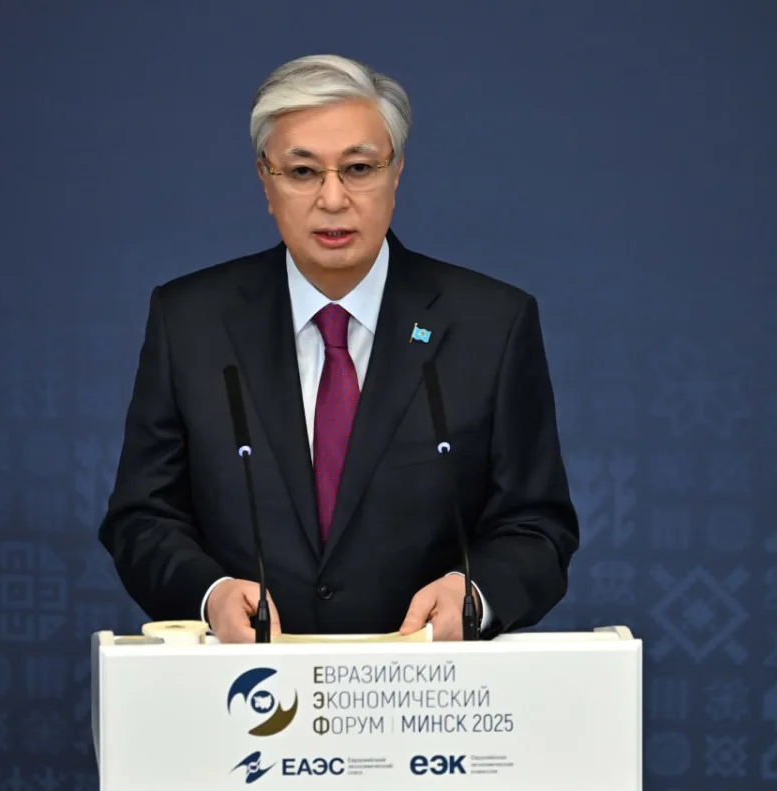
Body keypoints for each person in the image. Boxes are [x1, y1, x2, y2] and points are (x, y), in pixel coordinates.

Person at [98, 54, 579, 642]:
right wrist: (210, 593)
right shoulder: (191, 321)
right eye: (302, 172)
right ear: (265, 180)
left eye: (358, 168)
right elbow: (143, 518)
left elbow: (537, 528)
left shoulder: (491, 324)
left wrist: (474, 594)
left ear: (396, 173)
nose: (332, 198)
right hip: (244, 685)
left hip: (429, 685)